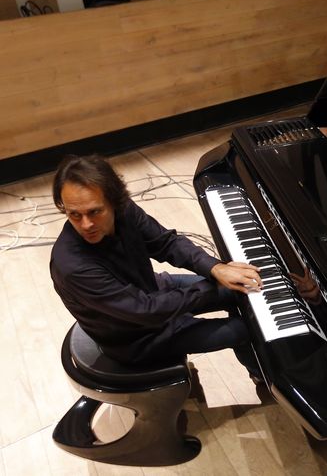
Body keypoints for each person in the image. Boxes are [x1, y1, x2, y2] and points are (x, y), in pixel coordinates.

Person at [49, 154, 299, 384]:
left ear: (113, 201)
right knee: (246, 329)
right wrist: (210, 285)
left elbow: (166, 243)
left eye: (95, 211)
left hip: (153, 291)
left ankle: (268, 367)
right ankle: (266, 379)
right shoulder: (73, 266)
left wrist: (215, 268)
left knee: (245, 288)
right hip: (139, 338)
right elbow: (144, 311)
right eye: (74, 215)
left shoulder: (124, 211)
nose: (86, 224)